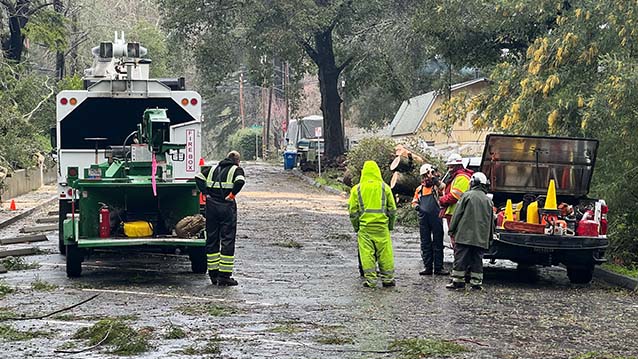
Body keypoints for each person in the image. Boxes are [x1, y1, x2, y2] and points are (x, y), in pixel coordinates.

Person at [195, 151, 246, 286]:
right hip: (226, 207)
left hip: (211, 207)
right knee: (227, 239)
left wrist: (205, 193)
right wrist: (232, 194)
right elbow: (241, 181)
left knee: (212, 238)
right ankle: (224, 276)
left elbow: (198, 177)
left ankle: (213, 274)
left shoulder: (212, 169)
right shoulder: (236, 170)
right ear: (237, 161)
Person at [348, 161, 397, 288]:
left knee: (367, 254)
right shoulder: (384, 188)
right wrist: (390, 225)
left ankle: (371, 281)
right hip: (382, 227)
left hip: (365, 228)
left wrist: (356, 227)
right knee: (385, 253)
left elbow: (353, 212)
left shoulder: (356, 189)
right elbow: (392, 209)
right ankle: (388, 279)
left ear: (363, 172)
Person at [446, 172, 494, 291]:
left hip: (464, 236)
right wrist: (490, 237)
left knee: (461, 259)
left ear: (473, 183)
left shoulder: (466, 196)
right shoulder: (488, 201)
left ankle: (458, 282)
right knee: (477, 260)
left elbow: (457, 214)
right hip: (480, 238)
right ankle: (476, 283)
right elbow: (491, 221)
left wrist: (451, 229)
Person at [412, 164, 448, 276]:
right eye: (424, 176)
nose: (426, 178)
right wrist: (416, 206)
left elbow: (444, 188)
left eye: (427, 176)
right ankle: (427, 267)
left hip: (436, 218)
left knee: (438, 243)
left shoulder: (436, 188)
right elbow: (414, 202)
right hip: (424, 219)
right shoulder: (419, 189)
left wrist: (435, 180)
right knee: (425, 243)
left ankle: (438, 268)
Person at [439, 153, 473, 249]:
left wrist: (441, 200)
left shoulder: (462, 177)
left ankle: (460, 263)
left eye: (451, 167)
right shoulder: (456, 177)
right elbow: (448, 190)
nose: (449, 169)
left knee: (457, 242)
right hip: (454, 213)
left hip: (457, 214)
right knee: (455, 241)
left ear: (456, 166)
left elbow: (454, 196)